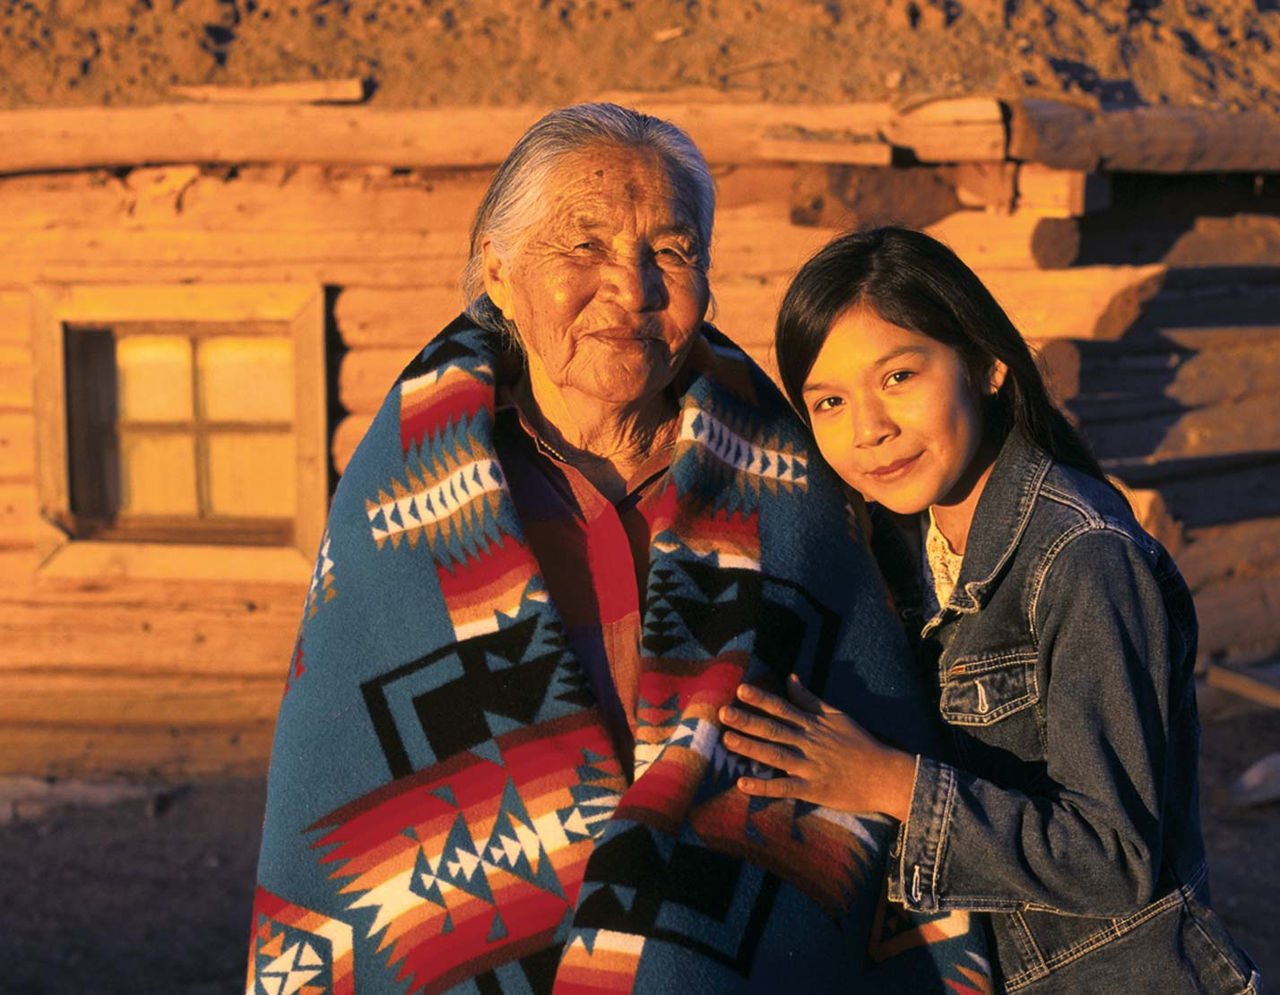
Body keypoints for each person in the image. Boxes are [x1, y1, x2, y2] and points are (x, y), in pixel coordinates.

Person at [246, 110, 990, 992]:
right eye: (585, 245)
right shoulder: (405, 510)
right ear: (498, 265)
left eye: (672, 252)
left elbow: (873, 738)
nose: (631, 287)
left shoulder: (799, 491)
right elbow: (339, 787)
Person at [720, 226, 1261, 993]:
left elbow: (1113, 857)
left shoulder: (1081, 558)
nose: (868, 428)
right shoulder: (905, 549)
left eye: (899, 376)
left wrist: (889, 783)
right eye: (830, 402)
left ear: (986, 362)